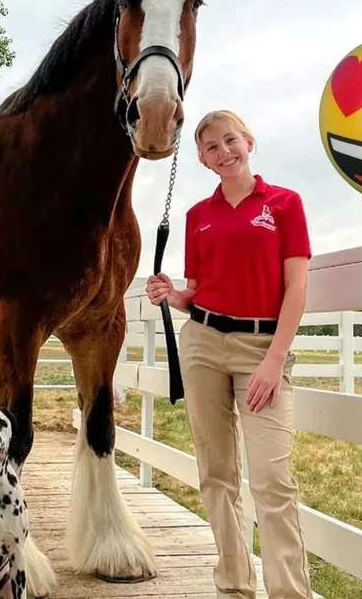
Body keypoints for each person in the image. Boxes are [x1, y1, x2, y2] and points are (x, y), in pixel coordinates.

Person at [146, 110, 313, 599]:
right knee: (216, 474)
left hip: (263, 347)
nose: (224, 151)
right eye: (212, 147)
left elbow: (297, 285)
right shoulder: (198, 215)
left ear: (249, 142)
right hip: (202, 346)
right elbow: (197, 290)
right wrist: (172, 295)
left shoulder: (284, 204)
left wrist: (276, 358)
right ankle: (234, 587)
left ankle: (288, 593)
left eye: (230, 140)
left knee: (272, 479)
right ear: (201, 159)